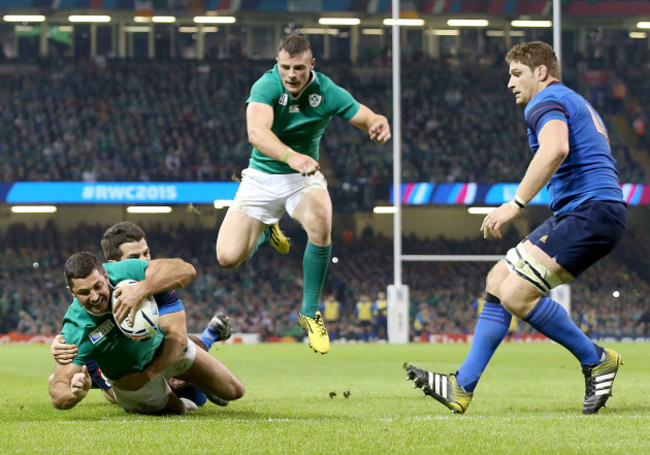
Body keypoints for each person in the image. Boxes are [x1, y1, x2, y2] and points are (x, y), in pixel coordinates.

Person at [407, 41, 626, 415]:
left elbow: (555, 149)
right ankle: (462, 387)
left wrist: (515, 203)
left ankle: (596, 360)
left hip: (590, 211)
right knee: (497, 281)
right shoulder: (570, 99)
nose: (509, 83)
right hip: (585, 211)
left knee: (517, 296)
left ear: (541, 72)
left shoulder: (546, 100)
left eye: (516, 73)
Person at [215, 34, 391, 354]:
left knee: (322, 219)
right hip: (262, 177)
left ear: (312, 64)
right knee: (227, 258)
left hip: (303, 177)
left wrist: (377, 123)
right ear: (277, 65)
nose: (291, 74)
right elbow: (256, 133)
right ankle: (267, 234)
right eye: (285, 67)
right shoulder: (266, 86)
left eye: (298, 67)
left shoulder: (326, 90)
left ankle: (310, 312)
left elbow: (361, 114)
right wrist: (290, 156)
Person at [50, 222, 232, 407]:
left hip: (159, 355)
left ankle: (209, 341)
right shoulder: (88, 318)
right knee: (178, 401)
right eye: (135, 257)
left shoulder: (152, 282)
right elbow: (67, 379)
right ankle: (211, 337)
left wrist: (143, 288)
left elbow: (178, 336)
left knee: (185, 342)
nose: (144, 261)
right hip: (122, 369)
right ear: (114, 267)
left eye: (146, 253)